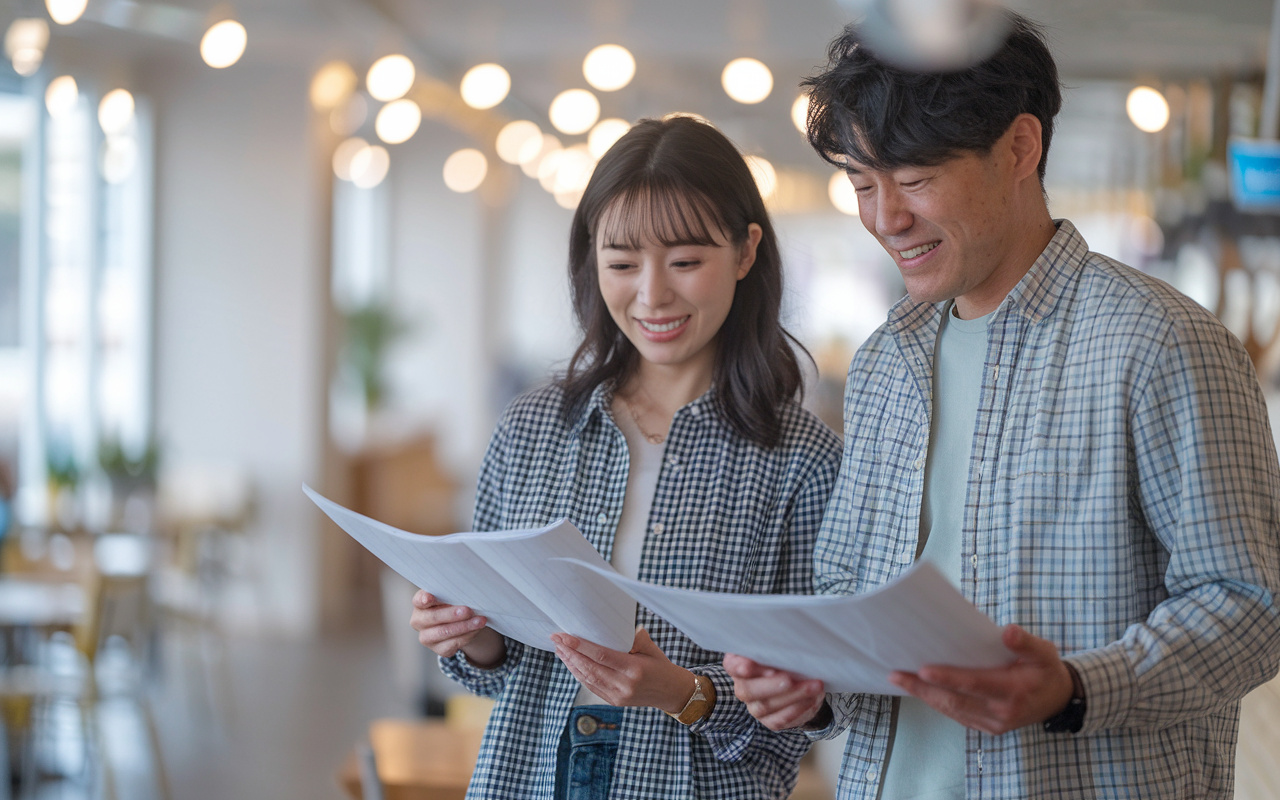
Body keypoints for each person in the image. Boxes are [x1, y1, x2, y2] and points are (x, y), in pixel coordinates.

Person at [724, 11, 1280, 800]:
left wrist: (1078, 688)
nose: (886, 217)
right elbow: (848, 592)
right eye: (860, 184)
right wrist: (810, 682)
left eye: (914, 180)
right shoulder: (887, 362)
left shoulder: (1159, 344)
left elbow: (1252, 607)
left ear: (1021, 147)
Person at [410, 115, 842, 800]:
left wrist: (682, 693)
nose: (651, 294)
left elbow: (815, 706)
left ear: (745, 250)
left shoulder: (804, 462)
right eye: (621, 264)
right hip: (527, 781)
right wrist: (469, 635)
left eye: (685, 261)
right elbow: (497, 667)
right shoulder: (533, 428)